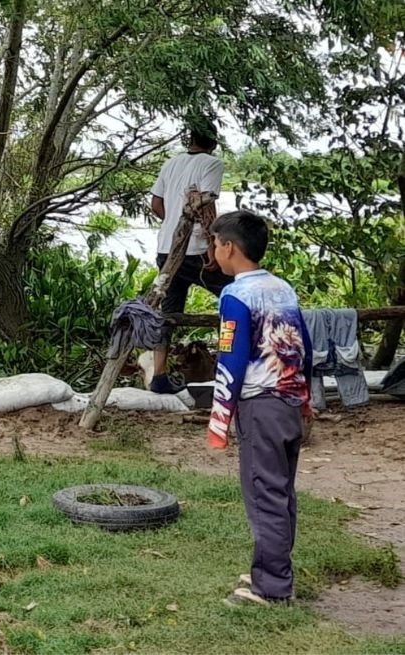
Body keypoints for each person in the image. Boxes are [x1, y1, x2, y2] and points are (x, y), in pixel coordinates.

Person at [205, 210, 314, 607]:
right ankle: (273, 568)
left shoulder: (235, 295)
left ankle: (271, 587)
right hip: (288, 403)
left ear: (229, 248)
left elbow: (230, 359)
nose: (213, 251)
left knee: (264, 492)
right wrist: (306, 399)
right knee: (281, 491)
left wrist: (219, 418)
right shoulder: (282, 288)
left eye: (215, 244)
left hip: (260, 405)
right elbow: (304, 345)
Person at [149, 120, 231, 394]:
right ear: (214, 142)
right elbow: (206, 206)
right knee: (235, 296)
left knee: (168, 314)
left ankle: (159, 376)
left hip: (166, 249)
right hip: (195, 250)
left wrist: (173, 224)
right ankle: (235, 362)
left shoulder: (171, 163)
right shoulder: (212, 164)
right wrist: (212, 246)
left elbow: (156, 204)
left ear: (190, 139)